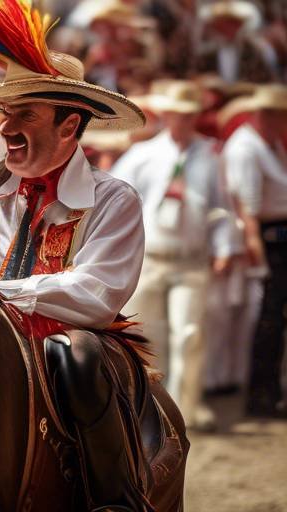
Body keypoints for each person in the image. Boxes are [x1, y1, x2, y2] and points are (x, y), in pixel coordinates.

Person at [0, 2, 156, 509]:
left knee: (79, 357)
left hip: (57, 340)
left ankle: (112, 499)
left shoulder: (114, 198)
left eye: (24, 115)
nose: (6, 128)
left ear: (69, 126)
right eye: (5, 114)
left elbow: (95, 297)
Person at [112, 81, 238, 431]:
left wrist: (225, 246)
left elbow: (222, 207)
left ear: (196, 116)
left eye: (188, 115)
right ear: (164, 114)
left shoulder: (213, 157)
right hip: (151, 257)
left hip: (191, 259)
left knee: (190, 333)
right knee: (146, 335)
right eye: (175, 114)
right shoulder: (142, 155)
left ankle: (184, 410)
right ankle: (150, 406)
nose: (181, 121)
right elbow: (116, 202)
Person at [220, 84, 287, 418]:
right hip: (266, 235)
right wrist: (255, 245)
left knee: (272, 318)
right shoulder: (247, 148)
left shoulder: (269, 143)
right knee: (268, 318)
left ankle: (268, 390)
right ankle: (262, 393)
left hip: (275, 233)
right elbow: (246, 206)